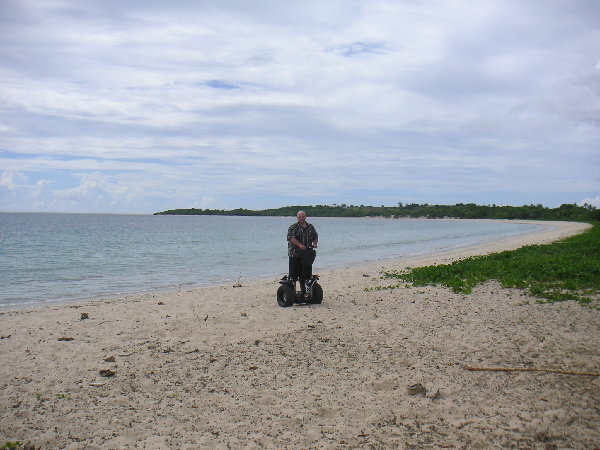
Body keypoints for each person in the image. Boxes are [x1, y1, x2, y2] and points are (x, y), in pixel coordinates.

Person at [287, 211, 318, 296]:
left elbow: (315, 236)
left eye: (303, 217)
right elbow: (291, 238)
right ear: (297, 217)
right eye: (300, 217)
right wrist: (300, 245)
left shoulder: (310, 227)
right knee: (293, 275)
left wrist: (315, 243)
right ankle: (291, 293)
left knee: (306, 275)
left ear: (305, 217)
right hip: (295, 254)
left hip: (307, 255)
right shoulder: (293, 227)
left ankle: (305, 292)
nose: (301, 218)